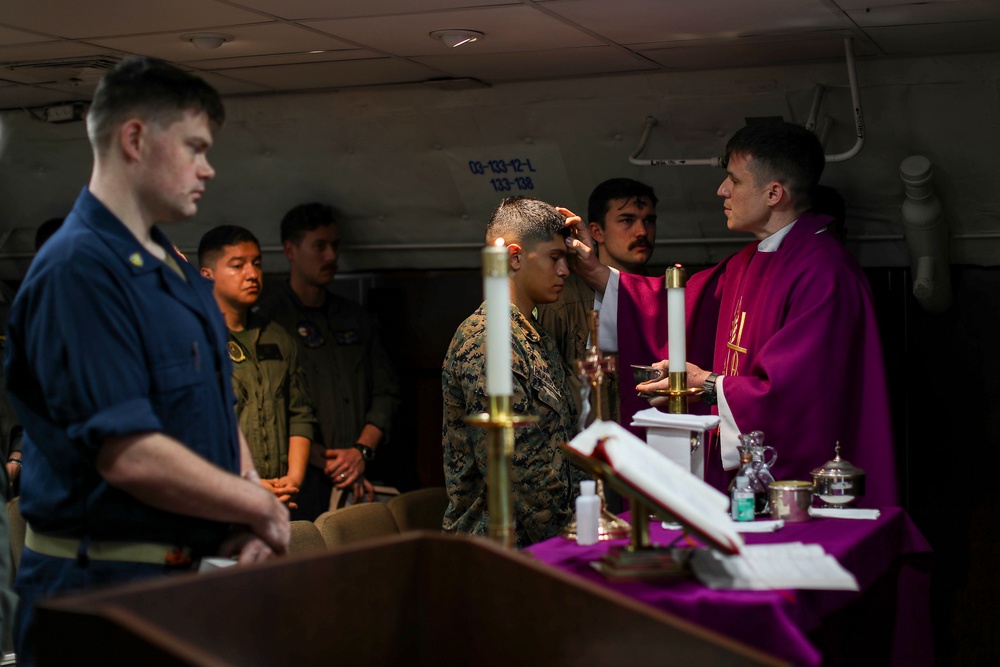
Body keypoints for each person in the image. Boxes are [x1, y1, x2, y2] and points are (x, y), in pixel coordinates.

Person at [3, 56, 289, 665]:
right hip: (103, 596)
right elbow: (128, 453)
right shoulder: (78, 269)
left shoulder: (173, 267)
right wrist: (260, 505)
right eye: (194, 147)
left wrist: (244, 501)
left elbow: (214, 402)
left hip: (185, 581)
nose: (207, 168)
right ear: (134, 138)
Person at [568, 122, 898, 507]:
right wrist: (593, 270)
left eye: (734, 181)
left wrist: (709, 384)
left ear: (774, 193)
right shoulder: (747, 262)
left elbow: (801, 397)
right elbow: (671, 306)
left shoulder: (825, 273)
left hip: (804, 482)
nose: (721, 190)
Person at [442, 196, 584, 548]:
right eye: (555, 258)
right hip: (497, 549)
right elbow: (517, 472)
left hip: (541, 544)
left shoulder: (533, 336)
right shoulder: (490, 339)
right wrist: (568, 542)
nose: (564, 271)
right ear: (516, 257)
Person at [260, 203, 400, 519]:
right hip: (301, 479)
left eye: (334, 246)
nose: (331, 256)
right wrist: (325, 461)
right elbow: (271, 408)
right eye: (319, 246)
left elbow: (386, 391)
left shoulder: (355, 317)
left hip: (360, 473)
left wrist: (360, 452)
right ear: (290, 251)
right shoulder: (269, 323)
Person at [198, 225, 319, 511]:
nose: (252, 274)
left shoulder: (278, 336)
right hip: (221, 497)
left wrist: (292, 482)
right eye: (237, 265)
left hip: (281, 497)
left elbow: (300, 413)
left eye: (257, 264)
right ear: (207, 276)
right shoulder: (197, 340)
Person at [536, 178, 658, 426]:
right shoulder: (562, 300)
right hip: (584, 448)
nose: (642, 232)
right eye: (627, 220)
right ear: (596, 231)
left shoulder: (664, 299)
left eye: (649, 220)